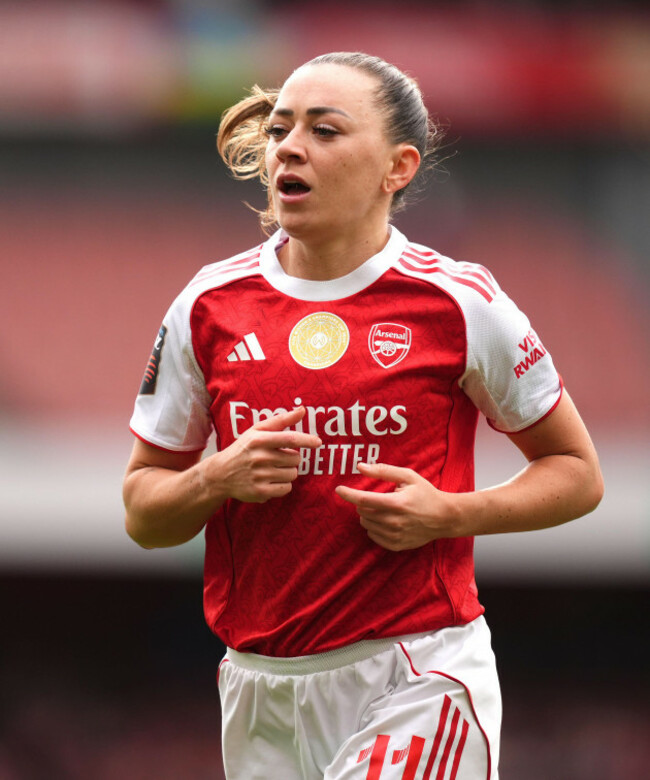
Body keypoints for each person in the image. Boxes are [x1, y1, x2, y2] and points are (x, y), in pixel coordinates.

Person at [123, 52, 603, 780]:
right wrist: (214, 477)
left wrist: (450, 513)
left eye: (325, 130)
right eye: (280, 129)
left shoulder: (459, 302)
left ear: (397, 167)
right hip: (258, 689)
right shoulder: (208, 304)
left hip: (417, 673)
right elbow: (143, 514)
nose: (289, 147)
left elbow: (576, 473)